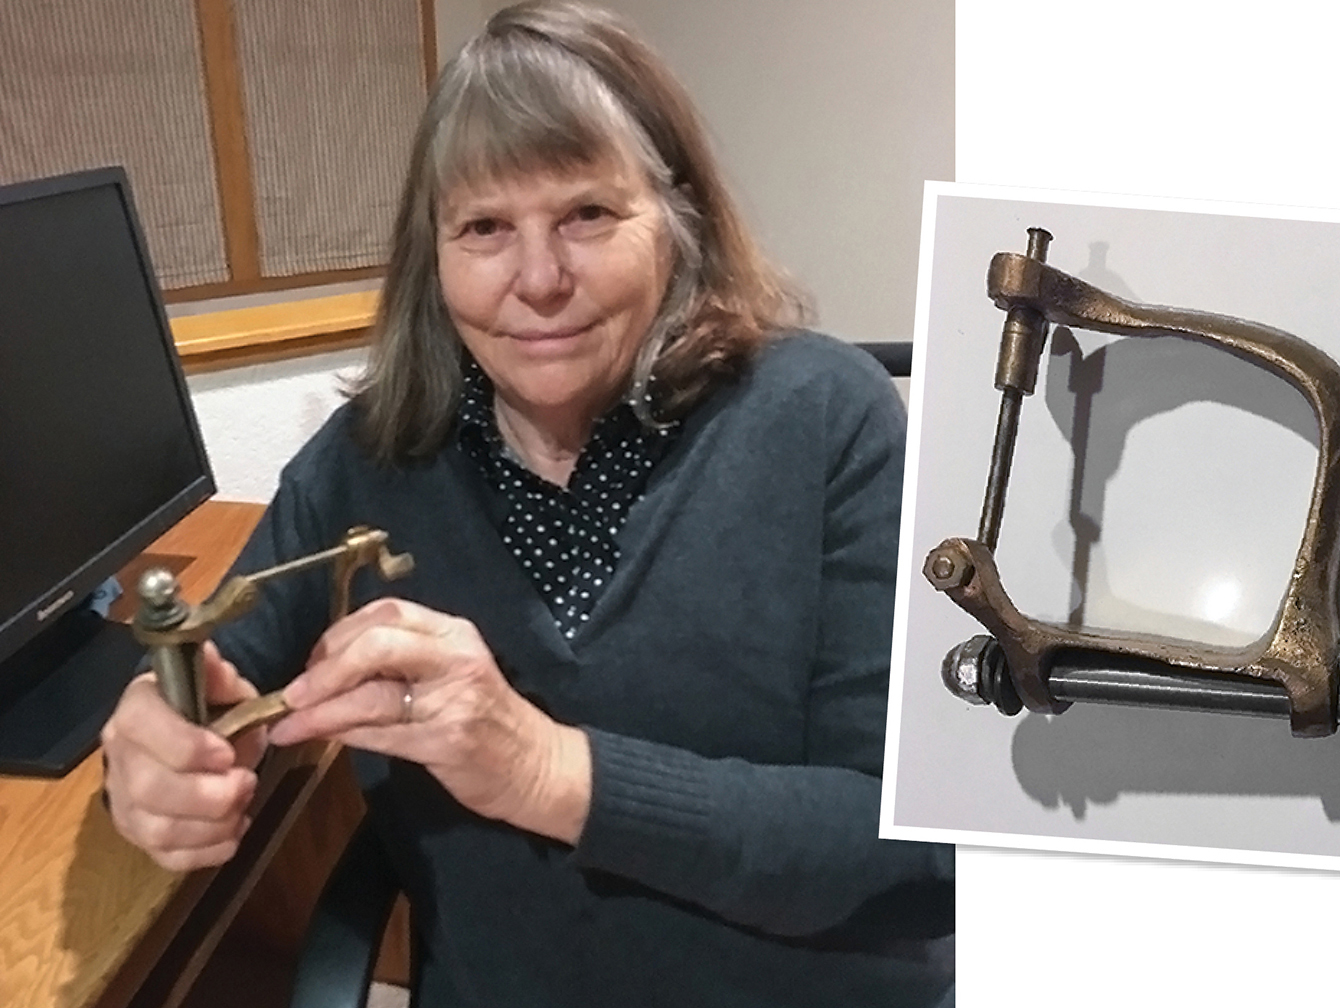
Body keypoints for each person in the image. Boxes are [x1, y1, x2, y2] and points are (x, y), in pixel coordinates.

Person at [98, 3, 954, 1005]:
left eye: (587, 214)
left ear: (675, 220)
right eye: (486, 228)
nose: (539, 280)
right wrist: (155, 744)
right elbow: (213, 675)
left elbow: (918, 855)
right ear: (435, 255)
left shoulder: (827, 424)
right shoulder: (369, 463)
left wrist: (548, 772)